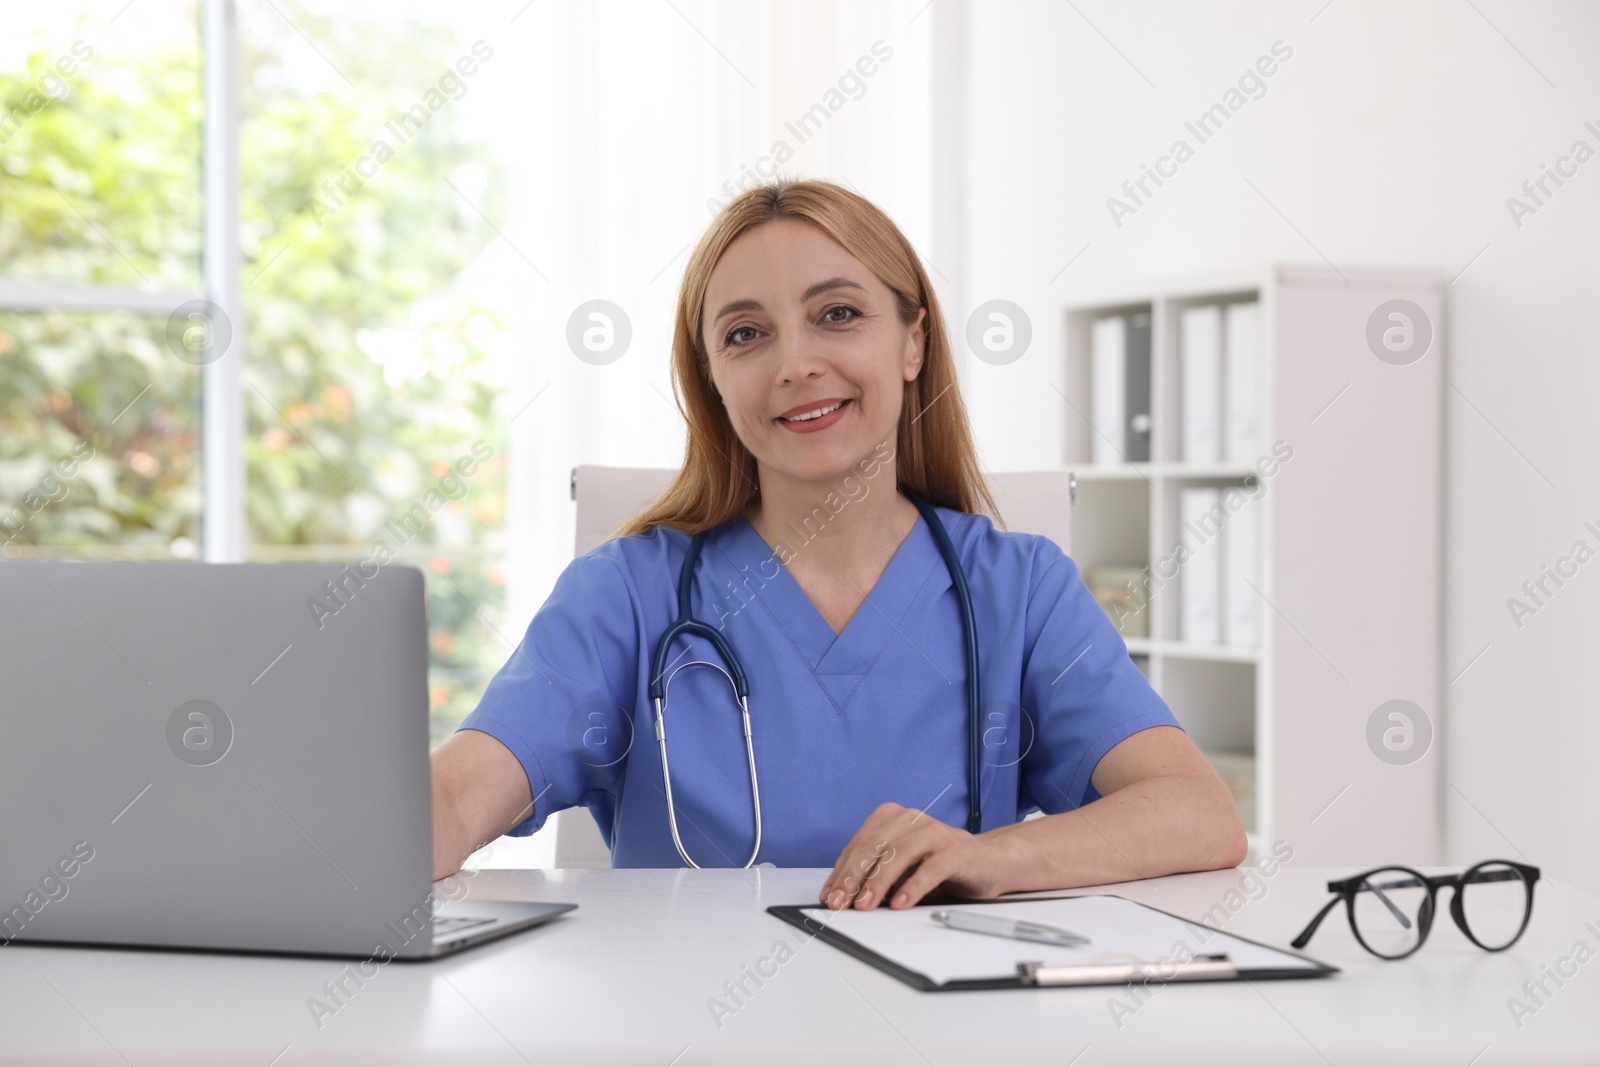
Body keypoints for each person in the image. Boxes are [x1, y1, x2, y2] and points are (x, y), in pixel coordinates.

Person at [430, 177, 1246, 911]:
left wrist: (995, 855)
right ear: (711, 379)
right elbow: (458, 800)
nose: (796, 363)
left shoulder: (1020, 588)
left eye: (838, 314)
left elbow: (1198, 813)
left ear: (912, 342)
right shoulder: (624, 594)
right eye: (746, 334)